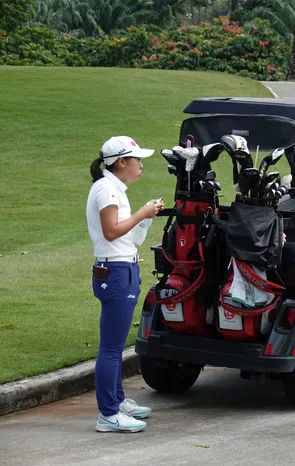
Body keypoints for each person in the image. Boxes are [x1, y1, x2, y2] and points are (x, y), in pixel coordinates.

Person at [86, 136, 165, 433]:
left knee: (115, 346)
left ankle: (117, 402)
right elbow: (111, 232)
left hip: (123, 268)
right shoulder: (106, 189)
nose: (141, 166)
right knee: (111, 347)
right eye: (137, 160)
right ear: (121, 162)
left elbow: (129, 237)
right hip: (116, 272)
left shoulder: (114, 188)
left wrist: (145, 218)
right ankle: (108, 414)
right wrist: (142, 213)